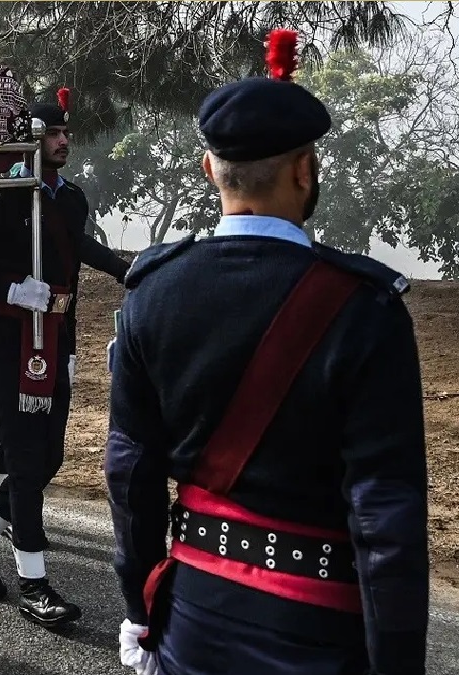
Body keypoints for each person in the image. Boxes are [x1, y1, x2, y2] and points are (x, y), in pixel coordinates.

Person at [107, 30, 428, 675]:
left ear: (209, 170)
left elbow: (131, 473)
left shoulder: (152, 292)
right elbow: (385, 517)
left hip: (191, 614)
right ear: (305, 171)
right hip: (317, 627)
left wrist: (142, 610)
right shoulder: (366, 309)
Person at [0, 85, 129, 630]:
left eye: (67, 132)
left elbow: (77, 245)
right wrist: (9, 286)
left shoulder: (67, 196)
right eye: (54, 133)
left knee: (47, 456)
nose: (65, 141)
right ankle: (34, 583)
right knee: (22, 455)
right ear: (29, 140)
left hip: (54, 333)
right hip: (1, 329)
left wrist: (124, 270)